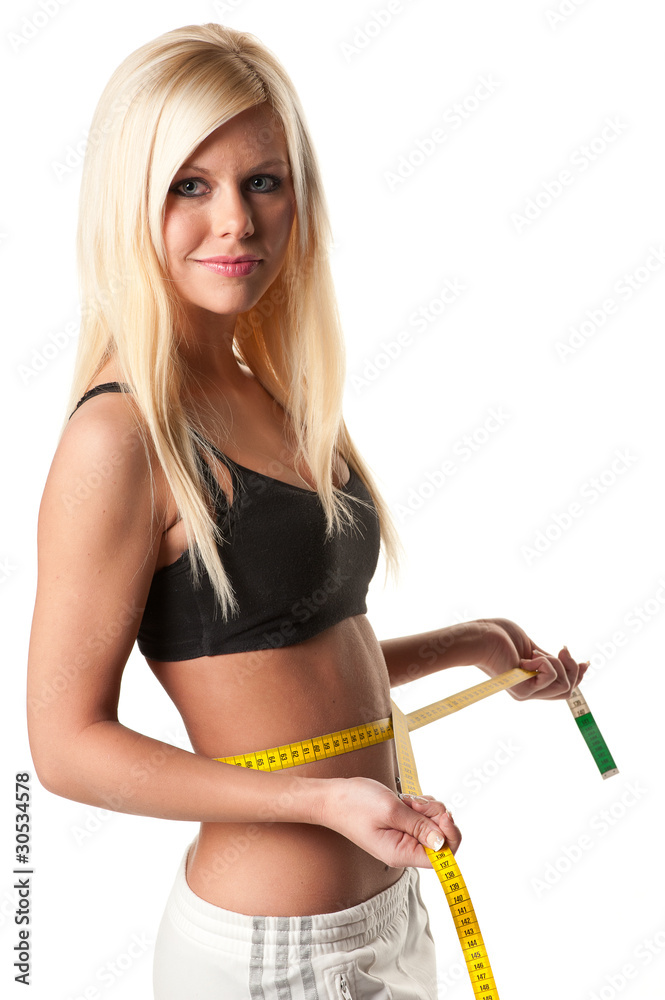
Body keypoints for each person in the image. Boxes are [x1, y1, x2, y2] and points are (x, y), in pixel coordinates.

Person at [26, 22, 588, 1000]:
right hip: (271, 955)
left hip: (391, 911)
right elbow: (66, 747)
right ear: (128, 200)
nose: (235, 222)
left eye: (263, 181)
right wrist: (318, 801)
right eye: (189, 185)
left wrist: (469, 643)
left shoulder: (267, 389)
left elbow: (281, 664)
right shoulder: (118, 439)